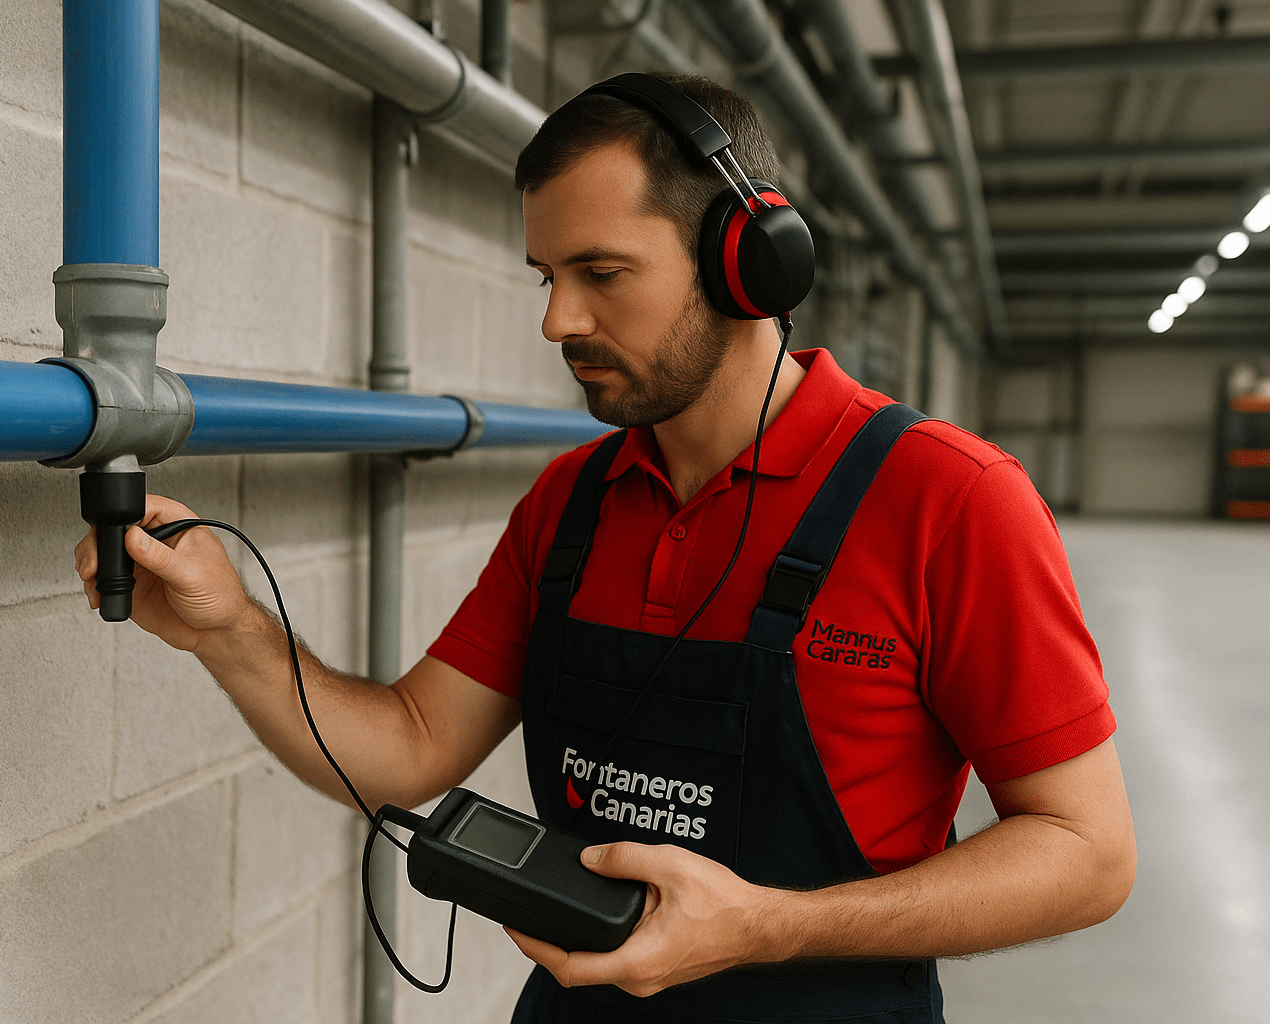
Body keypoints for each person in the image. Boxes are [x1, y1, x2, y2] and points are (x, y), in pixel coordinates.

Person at [75, 73, 1135, 1024]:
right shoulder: (570, 505)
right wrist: (233, 632)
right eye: (546, 275)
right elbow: (408, 747)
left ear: (746, 261)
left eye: (602, 271)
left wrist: (767, 926)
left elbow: (1087, 853)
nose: (558, 320)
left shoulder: (949, 501)